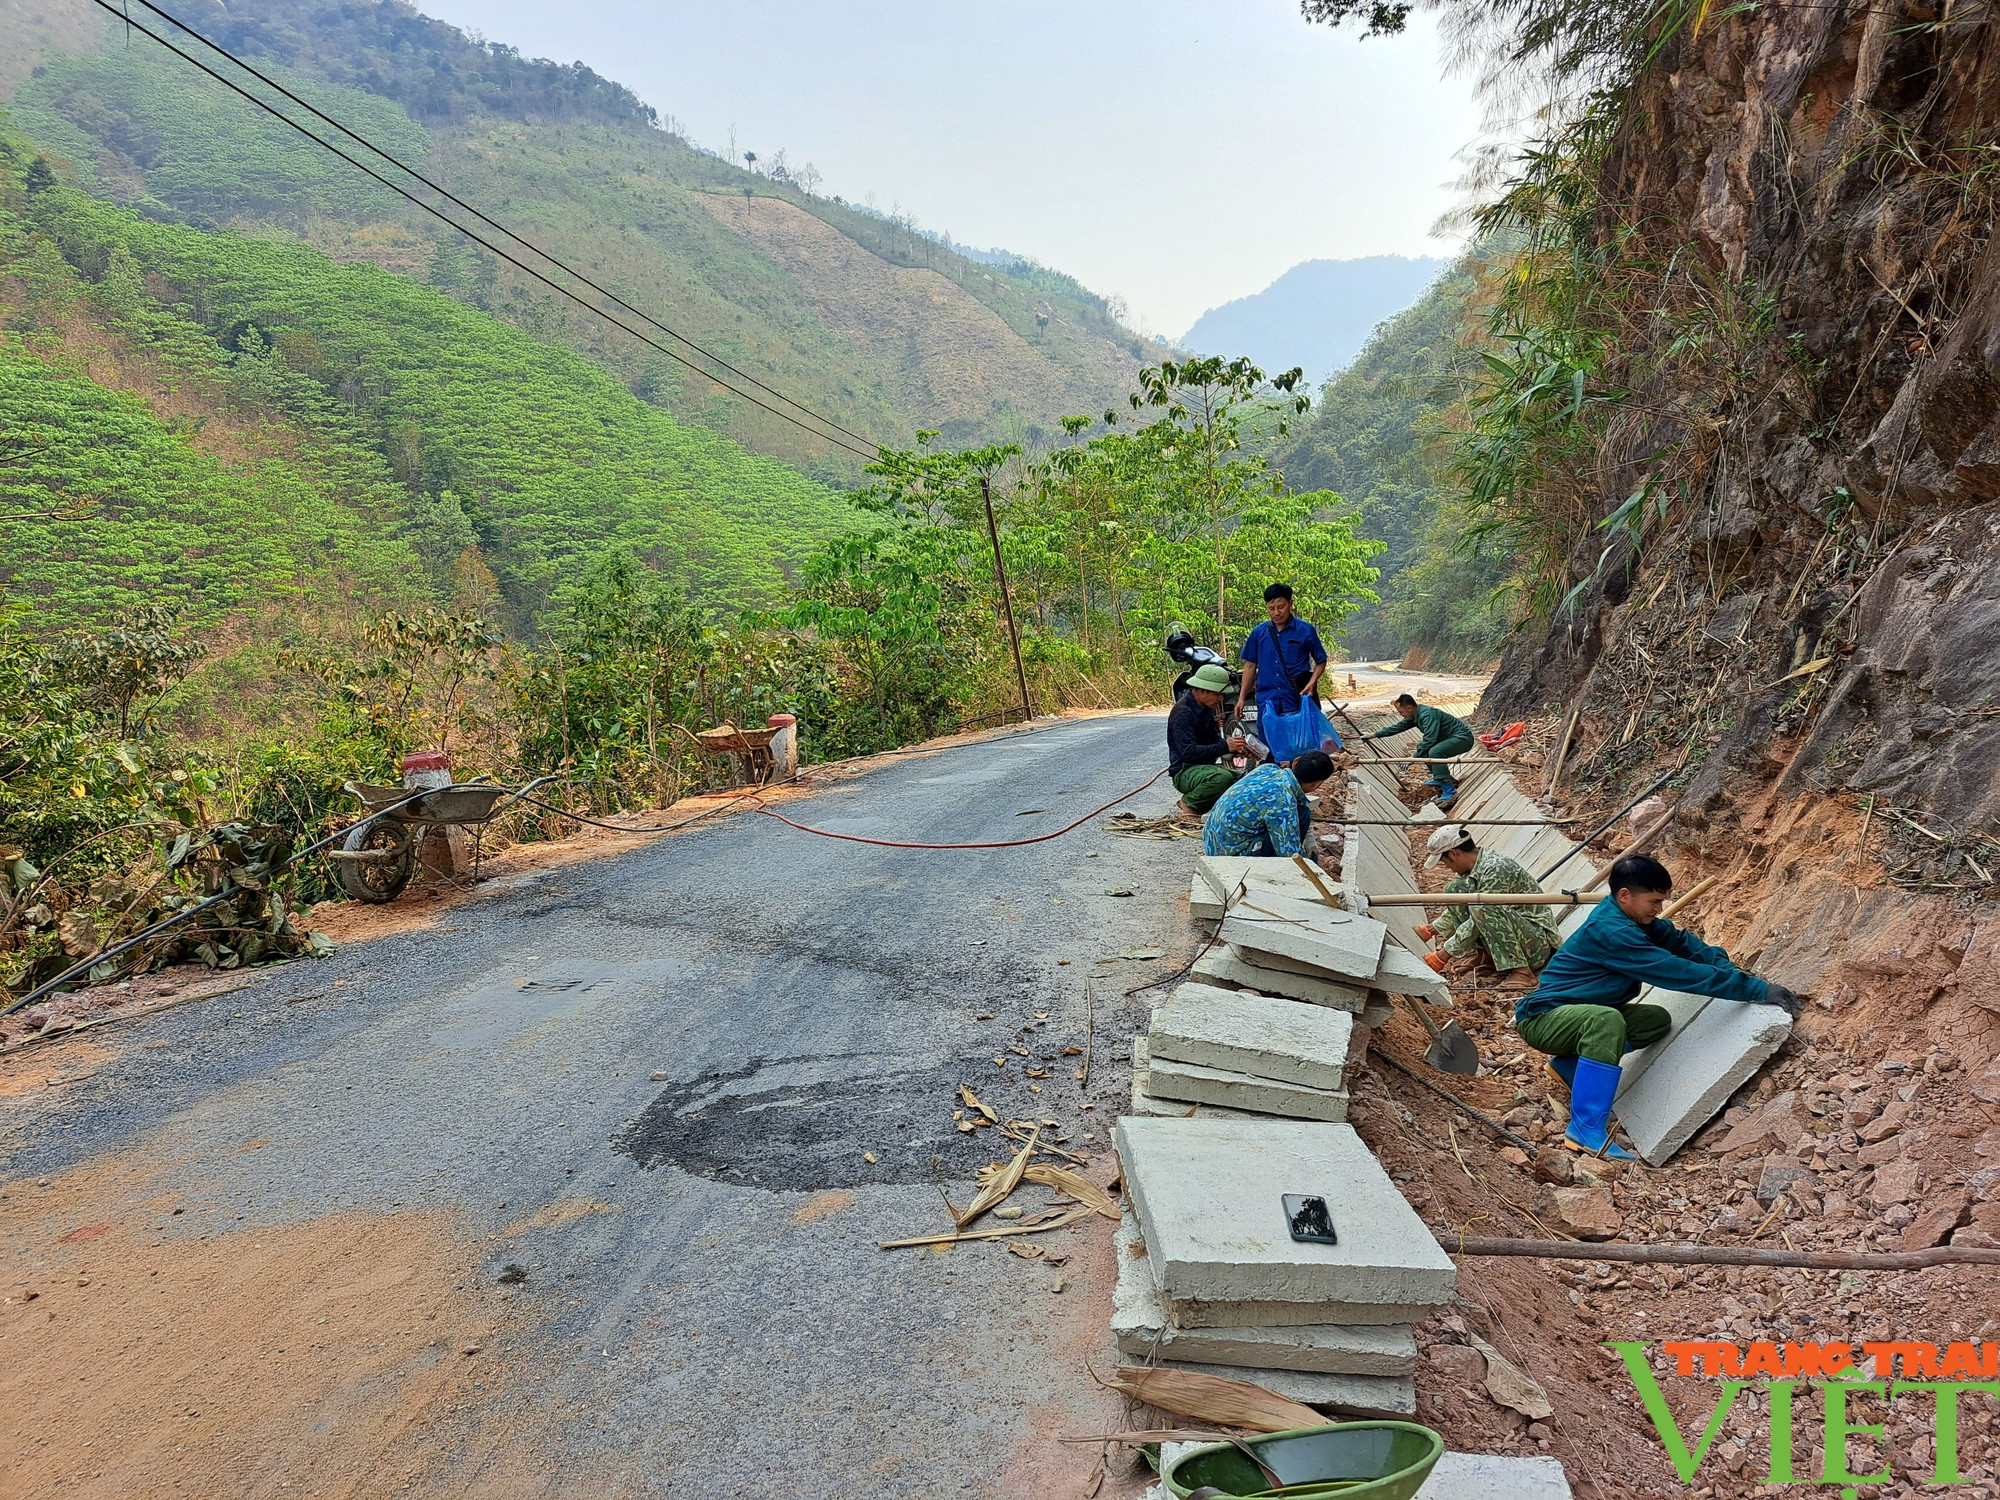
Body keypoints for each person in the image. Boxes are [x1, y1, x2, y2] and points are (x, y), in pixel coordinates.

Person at [1515, 854, 1805, 1161]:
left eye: (1662, 901)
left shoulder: (1631, 917)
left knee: (1654, 1020)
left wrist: (1723, 965)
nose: (1659, 909)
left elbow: (1681, 943)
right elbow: (1677, 972)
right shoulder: (1613, 932)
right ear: (1624, 895)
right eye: (1654, 901)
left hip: (1576, 1014)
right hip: (1542, 1019)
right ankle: (1585, 1129)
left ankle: (1569, 1066)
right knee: (1606, 1020)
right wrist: (1755, 989)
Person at [1415, 823, 1559, 992]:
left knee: (1483, 907)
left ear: (1454, 854)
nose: (1448, 867)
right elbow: (1464, 902)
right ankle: (1487, 956)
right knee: (1454, 890)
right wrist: (1432, 929)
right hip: (1517, 935)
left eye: (1445, 862)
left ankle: (1522, 972)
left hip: (1536, 945)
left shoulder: (1496, 868)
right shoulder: (1478, 867)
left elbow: (1481, 913)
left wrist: (1443, 955)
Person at [1202, 750, 1334, 860]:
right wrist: (1309, 865)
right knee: (1303, 815)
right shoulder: (1282, 800)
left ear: (1296, 761)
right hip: (1230, 859)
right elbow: (1289, 854)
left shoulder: (1267, 768)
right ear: (1316, 784)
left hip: (1212, 843)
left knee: (1301, 812)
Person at [1234, 583, 1328, 732]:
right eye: (1271, 609)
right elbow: (1250, 666)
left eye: (1281, 607)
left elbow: (1321, 661)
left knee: (1299, 743)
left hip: (1295, 699)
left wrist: (1312, 682)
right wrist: (1241, 698)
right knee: (1268, 744)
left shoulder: (1305, 630)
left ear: (1290, 604)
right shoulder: (1259, 633)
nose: (1276, 613)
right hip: (1267, 700)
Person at [1368, 693, 1475, 808]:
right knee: (1425, 752)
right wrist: (1375, 734)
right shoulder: (1414, 714)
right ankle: (1441, 778)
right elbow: (1398, 727)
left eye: (1401, 712)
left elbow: (1430, 739)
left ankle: (1449, 789)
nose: (1401, 715)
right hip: (1450, 738)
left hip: (1462, 738)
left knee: (1435, 752)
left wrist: (1413, 758)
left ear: (1409, 708)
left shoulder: (1427, 714)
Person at [1168, 663, 1248, 815]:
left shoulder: (1206, 709)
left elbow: (1215, 741)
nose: (1221, 698)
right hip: (1185, 771)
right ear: (1201, 691)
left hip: (1204, 768)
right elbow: (1188, 753)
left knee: (1242, 780)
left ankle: (1207, 806)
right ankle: (1189, 804)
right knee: (1221, 778)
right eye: (1217, 694)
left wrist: (1237, 748)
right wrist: (1226, 747)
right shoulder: (1183, 712)